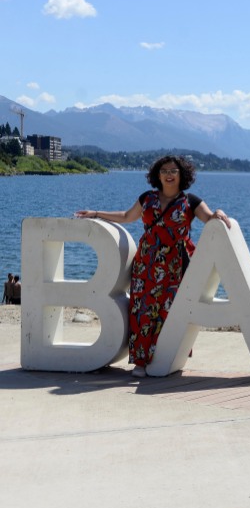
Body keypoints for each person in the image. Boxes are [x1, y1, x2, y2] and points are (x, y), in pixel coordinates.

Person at [75, 155, 231, 378]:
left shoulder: (191, 201)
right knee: (143, 310)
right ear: (157, 175)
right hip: (146, 263)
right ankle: (140, 362)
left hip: (177, 264)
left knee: (171, 310)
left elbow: (210, 218)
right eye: (165, 171)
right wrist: (97, 213)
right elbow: (127, 216)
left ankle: (168, 357)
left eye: (173, 171)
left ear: (182, 175)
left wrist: (220, 212)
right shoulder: (147, 198)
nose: (169, 175)